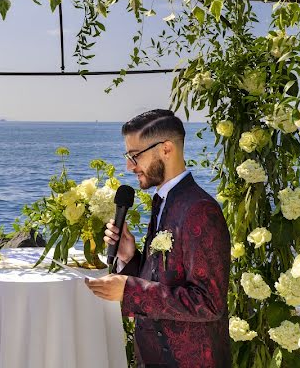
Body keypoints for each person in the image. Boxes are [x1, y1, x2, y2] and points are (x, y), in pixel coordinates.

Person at [85, 109, 231, 367]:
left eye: (135, 156)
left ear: (166, 149)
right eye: (127, 156)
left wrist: (130, 289)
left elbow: (209, 302)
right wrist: (130, 257)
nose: (129, 166)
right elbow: (166, 278)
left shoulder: (200, 210)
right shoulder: (163, 201)